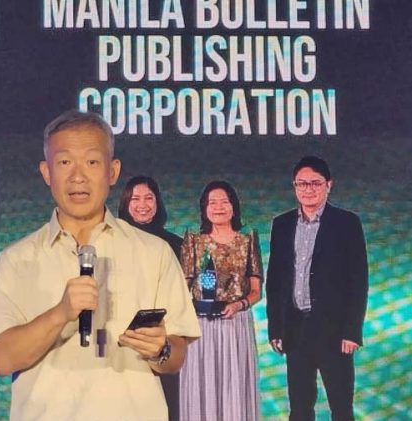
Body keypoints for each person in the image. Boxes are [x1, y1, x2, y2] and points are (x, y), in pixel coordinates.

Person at [0, 110, 200, 421]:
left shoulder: (154, 252)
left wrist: (160, 349)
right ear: (46, 172)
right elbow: (2, 360)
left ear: (112, 171)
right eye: (64, 162)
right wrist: (60, 313)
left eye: (92, 162)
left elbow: (176, 356)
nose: (78, 176)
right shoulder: (16, 260)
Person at [266, 156, 368, 421]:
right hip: (295, 329)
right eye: (302, 183)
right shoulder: (282, 224)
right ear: (294, 186)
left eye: (315, 183)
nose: (308, 189)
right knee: (299, 408)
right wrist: (276, 328)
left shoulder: (347, 223)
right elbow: (275, 281)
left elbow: (358, 281)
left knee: (341, 408)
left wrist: (352, 331)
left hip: (335, 331)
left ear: (328, 185)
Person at [180, 180, 263, 421]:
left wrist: (238, 305)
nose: (218, 207)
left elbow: (256, 291)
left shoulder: (247, 241)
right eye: (212, 202)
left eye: (224, 201)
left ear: (234, 207)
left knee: (234, 387)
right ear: (204, 208)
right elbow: (182, 289)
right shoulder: (194, 242)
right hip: (201, 327)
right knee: (203, 386)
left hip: (235, 324)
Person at [118, 175, 183, 421]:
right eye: (135, 199)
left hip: (163, 341)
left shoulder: (175, 245)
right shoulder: (113, 242)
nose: (142, 205)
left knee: (167, 406)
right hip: (123, 340)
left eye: (149, 198)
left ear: (158, 203)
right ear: (126, 204)